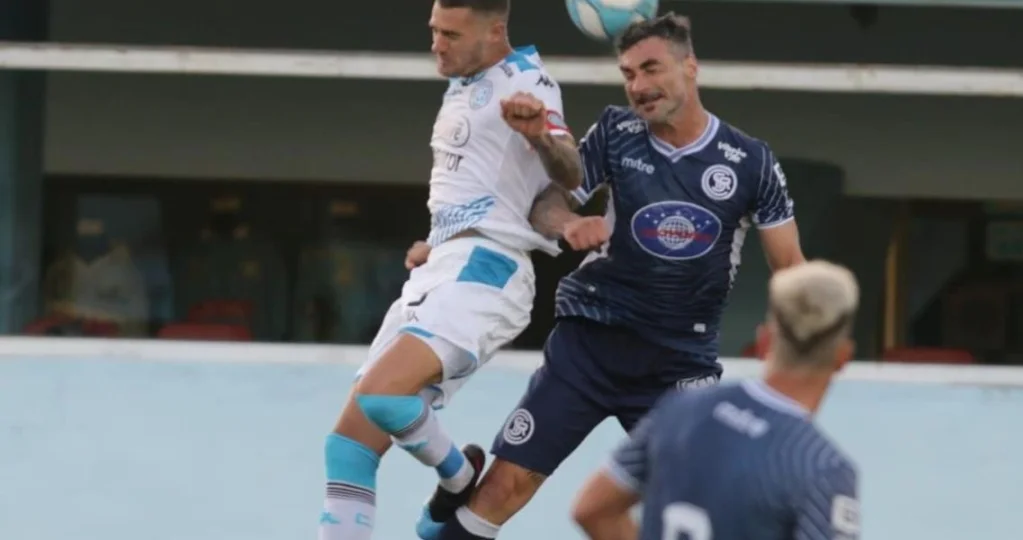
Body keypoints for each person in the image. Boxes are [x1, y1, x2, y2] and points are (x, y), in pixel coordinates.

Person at [410, 12, 808, 540]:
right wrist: (569, 223)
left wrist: (797, 361)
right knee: (505, 488)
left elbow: (791, 270)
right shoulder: (617, 132)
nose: (638, 86)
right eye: (628, 74)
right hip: (589, 347)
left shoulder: (750, 162)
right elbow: (547, 203)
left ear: (690, 66)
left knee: (706, 505)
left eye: (651, 69)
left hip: (679, 366)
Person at [315, 0, 587, 539]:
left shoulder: (527, 80)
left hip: (487, 271)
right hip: (444, 267)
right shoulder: (464, 83)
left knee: (381, 395)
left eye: (451, 35)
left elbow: (571, 170)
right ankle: (449, 490)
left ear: (496, 30)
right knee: (346, 446)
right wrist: (438, 242)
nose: (436, 44)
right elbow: (481, 187)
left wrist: (538, 134)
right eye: (434, 30)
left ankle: (459, 477)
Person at [571, 260, 861, 540]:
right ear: (843, 357)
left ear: (763, 341)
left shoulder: (681, 407)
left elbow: (593, 510)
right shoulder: (822, 466)